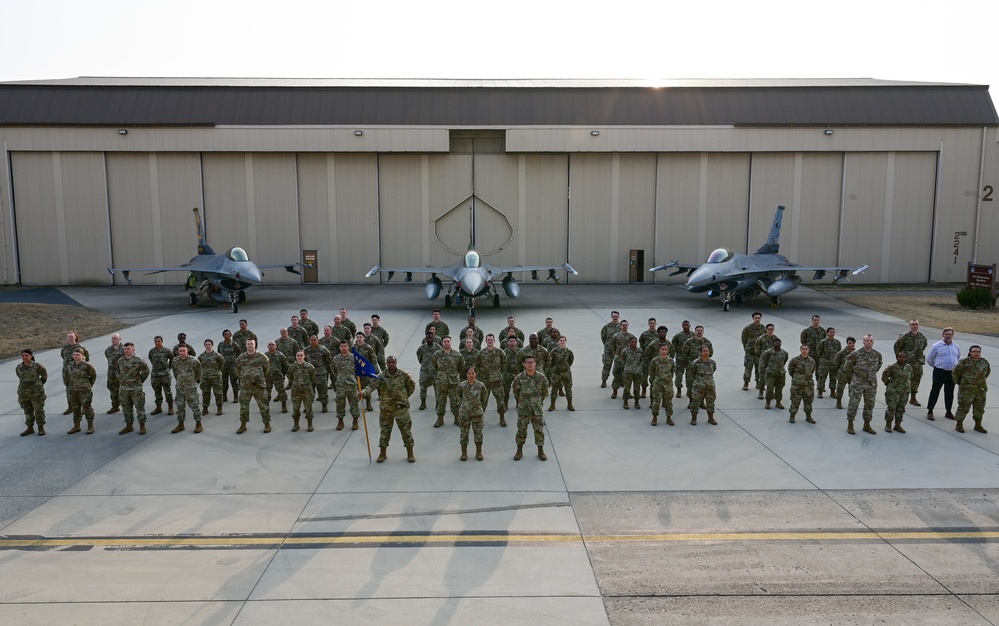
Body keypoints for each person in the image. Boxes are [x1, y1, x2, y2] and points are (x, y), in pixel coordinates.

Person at [362, 355, 417, 462]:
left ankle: (410, 453)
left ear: (396, 363)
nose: (391, 364)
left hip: (401, 409)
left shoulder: (404, 375)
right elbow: (372, 386)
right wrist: (363, 393)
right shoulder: (381, 376)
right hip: (386, 409)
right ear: (387, 364)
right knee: (385, 431)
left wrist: (404, 397)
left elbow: (411, 386)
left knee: (406, 431)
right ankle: (382, 454)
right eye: (389, 362)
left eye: (393, 362)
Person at [844, 335, 883, 435]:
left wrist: (870, 375)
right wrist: (854, 378)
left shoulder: (877, 354)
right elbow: (847, 367)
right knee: (854, 404)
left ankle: (867, 424)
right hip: (858, 383)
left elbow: (878, 365)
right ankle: (850, 424)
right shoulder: (855, 354)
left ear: (873, 342)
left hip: (871, 384)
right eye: (867, 340)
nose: (869, 342)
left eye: (871, 341)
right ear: (863, 342)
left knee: (870, 405)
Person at [512, 355, 550, 461]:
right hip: (524, 409)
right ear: (524, 364)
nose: (530, 364)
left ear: (535, 364)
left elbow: (545, 392)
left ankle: (540, 451)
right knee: (521, 430)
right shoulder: (519, 378)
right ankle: (519, 451)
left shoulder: (541, 378)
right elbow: (516, 392)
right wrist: (523, 401)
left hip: (537, 409)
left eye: (532, 362)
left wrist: (537, 401)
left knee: (539, 430)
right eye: (527, 362)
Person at [235, 339, 271, 434]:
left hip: (258, 386)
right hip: (245, 387)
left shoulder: (262, 357)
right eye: (248, 344)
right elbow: (237, 370)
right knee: (243, 406)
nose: (250, 345)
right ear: (246, 345)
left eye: (252, 344)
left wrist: (259, 378)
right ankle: (243, 425)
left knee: (263, 406)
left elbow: (266, 370)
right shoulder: (240, 358)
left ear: (255, 345)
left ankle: (267, 424)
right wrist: (244, 378)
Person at [952, 345, 990, 434]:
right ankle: (959, 424)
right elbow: (955, 373)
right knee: (963, 407)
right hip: (966, 390)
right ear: (970, 352)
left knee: (979, 408)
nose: (976, 353)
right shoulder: (964, 362)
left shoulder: (984, 362)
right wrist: (962, 384)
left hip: (980, 390)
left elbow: (987, 373)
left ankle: (978, 425)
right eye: (974, 351)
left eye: (978, 351)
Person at [926, 328, 960, 421]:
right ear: (942, 335)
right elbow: (929, 359)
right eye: (946, 334)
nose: (948, 336)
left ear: (952, 335)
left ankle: (948, 412)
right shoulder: (936, 346)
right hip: (939, 372)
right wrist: (937, 366)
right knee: (935, 391)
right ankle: (930, 411)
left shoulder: (956, 346)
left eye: (950, 334)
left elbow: (957, 357)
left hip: (951, 373)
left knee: (949, 393)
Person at [456, 366, 489, 461]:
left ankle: (479, 452)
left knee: (478, 434)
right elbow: (458, 397)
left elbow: (484, 398)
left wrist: (479, 408)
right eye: (469, 373)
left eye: (473, 373)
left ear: (476, 374)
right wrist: (464, 407)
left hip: (477, 414)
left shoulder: (480, 385)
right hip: (464, 414)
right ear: (466, 375)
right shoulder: (461, 386)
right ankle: (464, 453)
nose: (471, 375)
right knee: (464, 434)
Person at [116, 342, 149, 435]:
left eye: (128, 349)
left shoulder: (138, 360)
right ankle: (129, 425)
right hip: (124, 389)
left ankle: (142, 426)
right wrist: (122, 381)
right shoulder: (120, 361)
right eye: (125, 349)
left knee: (140, 408)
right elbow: (118, 372)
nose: (126, 351)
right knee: (126, 408)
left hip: (136, 389)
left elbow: (146, 371)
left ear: (133, 349)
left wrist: (139, 381)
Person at [475, 333, 509, 423]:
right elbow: (477, 365)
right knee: (483, 402)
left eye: (491, 340)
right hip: (485, 382)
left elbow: (504, 363)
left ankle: (502, 418)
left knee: (501, 401)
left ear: (494, 341)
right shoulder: (481, 353)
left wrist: (500, 374)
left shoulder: (499, 352)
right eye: (488, 340)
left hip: (497, 382)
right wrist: (480, 376)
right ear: (486, 341)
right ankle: (480, 418)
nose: (490, 341)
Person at [431, 336, 464, 428]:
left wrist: (454, 374)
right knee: (441, 402)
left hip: (453, 383)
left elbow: (461, 366)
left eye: (448, 341)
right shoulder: (437, 355)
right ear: (442, 343)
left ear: (451, 342)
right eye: (444, 341)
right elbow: (434, 366)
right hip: (441, 383)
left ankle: (457, 419)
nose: (446, 342)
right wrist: (441, 375)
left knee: (455, 402)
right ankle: (440, 419)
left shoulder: (457, 355)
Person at [894, 319, 928, 407]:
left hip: (918, 363)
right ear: (910, 326)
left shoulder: (922, 337)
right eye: (913, 324)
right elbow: (897, 347)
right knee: (903, 380)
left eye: (916, 324)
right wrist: (900, 359)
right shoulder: (904, 336)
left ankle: (913, 398)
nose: (915, 326)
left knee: (916, 380)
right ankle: (899, 398)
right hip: (907, 363)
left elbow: (924, 346)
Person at [170, 344, 203, 433]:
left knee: (194, 406)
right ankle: (181, 424)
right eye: (180, 351)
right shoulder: (175, 361)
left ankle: (198, 424)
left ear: (187, 350)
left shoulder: (194, 361)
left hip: (191, 388)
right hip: (180, 388)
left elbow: (199, 373)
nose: (182, 353)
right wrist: (179, 382)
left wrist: (194, 382)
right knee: (180, 407)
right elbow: (175, 373)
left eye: (183, 351)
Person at [65, 347, 97, 435]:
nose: (75, 356)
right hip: (73, 390)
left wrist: (88, 385)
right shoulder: (70, 365)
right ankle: (77, 426)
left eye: (78, 355)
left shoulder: (87, 365)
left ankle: (90, 426)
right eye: (74, 355)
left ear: (82, 355)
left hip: (84, 390)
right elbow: (68, 376)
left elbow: (93, 376)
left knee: (87, 407)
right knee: (75, 408)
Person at [16, 349, 47, 436]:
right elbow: (19, 377)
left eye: (26, 355)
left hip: (36, 392)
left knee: (38, 410)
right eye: (23, 356)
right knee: (27, 410)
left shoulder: (37, 366)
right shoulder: (19, 367)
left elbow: (44, 376)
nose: (24, 357)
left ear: (31, 356)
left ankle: (41, 427)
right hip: (24, 392)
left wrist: (38, 385)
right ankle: (30, 428)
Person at [331, 340, 361, 431]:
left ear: (348, 347)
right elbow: (333, 369)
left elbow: (359, 370)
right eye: (342, 346)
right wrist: (339, 377)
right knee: (340, 403)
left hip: (351, 384)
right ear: (339, 348)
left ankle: (355, 421)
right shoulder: (336, 358)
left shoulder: (354, 358)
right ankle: (340, 421)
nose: (343, 348)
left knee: (354, 403)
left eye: (345, 346)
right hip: (340, 385)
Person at [286, 351, 317, 432]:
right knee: (296, 408)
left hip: (307, 391)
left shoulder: (309, 367)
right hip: (296, 391)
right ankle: (296, 424)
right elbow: (289, 377)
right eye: (298, 355)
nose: (299, 357)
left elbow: (313, 377)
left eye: (301, 355)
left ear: (304, 356)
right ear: (295, 357)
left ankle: (310, 424)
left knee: (308, 408)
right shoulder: (292, 367)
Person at [881, 352, 912, 433]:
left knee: (901, 408)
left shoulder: (908, 367)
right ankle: (888, 424)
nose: (902, 358)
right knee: (891, 408)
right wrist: (888, 384)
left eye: (904, 357)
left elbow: (911, 377)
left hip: (904, 391)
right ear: (897, 358)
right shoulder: (892, 367)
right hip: (894, 391)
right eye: (900, 356)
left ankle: (898, 425)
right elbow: (884, 375)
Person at [60, 331, 89, 415]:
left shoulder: (81, 347)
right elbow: (63, 356)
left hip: (78, 372)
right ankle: (71, 407)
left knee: (81, 390)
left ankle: (84, 407)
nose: (70, 338)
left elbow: (86, 359)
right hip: (67, 372)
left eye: (71, 337)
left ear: (75, 337)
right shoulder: (64, 348)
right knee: (69, 390)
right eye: (68, 337)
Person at [304, 335, 333, 413]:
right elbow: (303, 362)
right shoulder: (306, 350)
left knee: (322, 390)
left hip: (321, 373)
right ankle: (308, 406)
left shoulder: (323, 350)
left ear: (318, 340)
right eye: (311, 340)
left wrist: (325, 370)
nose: (313, 341)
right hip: (309, 375)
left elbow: (328, 361)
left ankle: (324, 405)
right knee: (309, 391)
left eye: (314, 340)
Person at [688, 345, 717, 425]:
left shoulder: (712, 362)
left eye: (707, 351)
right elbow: (691, 374)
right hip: (698, 386)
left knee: (710, 401)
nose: (706, 353)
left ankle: (710, 418)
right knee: (696, 402)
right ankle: (694, 418)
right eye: (704, 351)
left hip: (710, 386)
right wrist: (697, 382)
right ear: (700, 352)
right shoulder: (695, 363)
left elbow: (713, 370)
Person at [787, 345, 816, 424]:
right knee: (795, 401)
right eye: (803, 349)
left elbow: (812, 370)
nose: (804, 350)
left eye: (806, 349)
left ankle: (808, 416)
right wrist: (797, 378)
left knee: (808, 401)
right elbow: (790, 370)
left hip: (808, 385)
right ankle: (792, 415)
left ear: (808, 350)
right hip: (797, 385)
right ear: (800, 350)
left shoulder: (812, 360)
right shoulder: (795, 360)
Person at [648, 343, 674, 426]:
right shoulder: (655, 360)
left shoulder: (671, 361)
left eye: (665, 349)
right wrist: (654, 382)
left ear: (668, 350)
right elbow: (651, 372)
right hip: (658, 383)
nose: (664, 351)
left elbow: (672, 372)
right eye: (662, 349)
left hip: (668, 384)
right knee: (656, 402)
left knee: (669, 402)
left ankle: (669, 417)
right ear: (659, 350)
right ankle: (655, 417)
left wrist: (668, 380)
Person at [683, 326, 713, 398]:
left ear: (703, 331)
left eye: (701, 330)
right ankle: (691, 400)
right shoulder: (689, 341)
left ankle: (701, 401)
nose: (699, 331)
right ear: (695, 331)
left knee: (702, 384)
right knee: (690, 383)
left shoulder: (707, 342)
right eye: (697, 330)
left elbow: (711, 353)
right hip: (692, 366)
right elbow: (684, 353)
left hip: (703, 367)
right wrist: (690, 361)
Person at [608, 321, 635, 399]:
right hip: (618, 359)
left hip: (628, 360)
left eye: (625, 325)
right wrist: (616, 355)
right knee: (617, 375)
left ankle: (627, 392)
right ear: (620, 326)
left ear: (627, 326)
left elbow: (633, 346)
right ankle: (615, 392)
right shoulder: (616, 336)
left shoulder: (631, 336)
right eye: (623, 325)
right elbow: (612, 346)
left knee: (628, 377)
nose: (624, 326)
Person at [547, 335, 575, 412]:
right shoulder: (554, 351)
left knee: (568, 389)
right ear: (558, 342)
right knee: (554, 389)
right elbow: (550, 362)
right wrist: (555, 368)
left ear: (565, 342)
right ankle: (552, 405)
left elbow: (571, 361)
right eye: (561, 340)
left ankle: (570, 404)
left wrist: (566, 367)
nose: (562, 342)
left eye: (563, 340)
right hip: (556, 373)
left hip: (566, 373)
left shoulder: (569, 352)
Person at [754, 324, 782, 400]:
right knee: (762, 377)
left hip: (773, 362)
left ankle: (770, 392)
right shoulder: (761, 339)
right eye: (769, 329)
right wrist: (760, 359)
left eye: (772, 329)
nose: (770, 330)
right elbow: (757, 350)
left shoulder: (776, 339)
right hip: (763, 361)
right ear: (766, 329)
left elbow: (778, 349)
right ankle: (761, 392)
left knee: (772, 378)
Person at [199, 339, 225, 416]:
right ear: (204, 346)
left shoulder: (217, 355)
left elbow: (222, 364)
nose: (208, 346)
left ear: (212, 345)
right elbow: (198, 366)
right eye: (206, 344)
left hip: (216, 377)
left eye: (209, 344)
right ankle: (205, 408)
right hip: (205, 378)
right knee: (205, 393)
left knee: (218, 393)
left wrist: (217, 371)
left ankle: (219, 408)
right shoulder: (201, 356)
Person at [760, 339, 789, 410]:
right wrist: (765, 370)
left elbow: (784, 361)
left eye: (779, 343)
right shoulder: (768, 352)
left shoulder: (784, 353)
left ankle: (778, 402)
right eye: (776, 343)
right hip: (770, 373)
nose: (777, 344)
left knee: (779, 388)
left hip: (781, 373)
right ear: (773, 344)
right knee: (770, 388)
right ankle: (768, 402)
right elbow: (763, 361)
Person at [815, 327, 842, 399]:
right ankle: (820, 392)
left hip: (834, 363)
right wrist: (823, 358)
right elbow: (818, 351)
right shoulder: (823, 342)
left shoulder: (837, 342)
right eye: (830, 332)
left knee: (833, 378)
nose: (832, 334)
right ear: (827, 333)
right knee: (822, 377)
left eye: (833, 332)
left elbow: (839, 352)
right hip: (824, 363)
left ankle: (832, 392)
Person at [741, 312, 766, 391]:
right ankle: (746, 383)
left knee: (759, 368)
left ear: (761, 318)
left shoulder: (763, 328)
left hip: (759, 353)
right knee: (748, 367)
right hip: (750, 351)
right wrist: (746, 347)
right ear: (753, 318)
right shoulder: (747, 328)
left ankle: (758, 383)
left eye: (759, 318)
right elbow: (744, 338)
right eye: (756, 318)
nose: (757, 319)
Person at [416, 332, 441, 411]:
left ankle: (438, 403)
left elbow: (440, 358)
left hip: (435, 371)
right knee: (423, 387)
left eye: (431, 338)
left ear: (433, 338)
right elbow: (419, 357)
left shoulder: (438, 347)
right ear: (426, 339)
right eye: (428, 338)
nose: (429, 339)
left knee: (437, 387)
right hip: (425, 371)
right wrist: (424, 364)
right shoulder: (421, 348)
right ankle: (423, 403)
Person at [619, 336, 644, 409]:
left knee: (637, 388)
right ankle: (625, 402)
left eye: (635, 342)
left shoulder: (639, 350)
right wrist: (626, 365)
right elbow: (622, 359)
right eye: (632, 342)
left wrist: (639, 367)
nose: (634, 343)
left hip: (637, 372)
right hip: (628, 372)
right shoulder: (625, 351)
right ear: (629, 342)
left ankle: (636, 402)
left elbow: (642, 359)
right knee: (627, 387)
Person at [265, 340, 289, 413]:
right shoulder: (264, 356)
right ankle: (266, 406)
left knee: (282, 392)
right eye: (270, 345)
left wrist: (282, 375)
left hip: (278, 377)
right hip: (268, 377)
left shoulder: (281, 355)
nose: (271, 346)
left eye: (273, 345)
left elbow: (285, 366)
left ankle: (284, 406)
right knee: (266, 393)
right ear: (267, 347)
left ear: (276, 346)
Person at [218, 329, 241, 403]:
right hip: (224, 365)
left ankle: (235, 397)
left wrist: (236, 363)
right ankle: (224, 396)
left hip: (232, 365)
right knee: (224, 381)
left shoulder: (234, 344)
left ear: (230, 335)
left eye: (227, 334)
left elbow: (238, 354)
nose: (226, 336)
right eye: (225, 334)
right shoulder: (220, 344)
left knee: (234, 381)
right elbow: (219, 354)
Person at [599, 311, 622, 387]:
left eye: (616, 316)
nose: (615, 318)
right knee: (607, 365)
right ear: (611, 317)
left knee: (619, 366)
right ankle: (604, 380)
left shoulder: (621, 327)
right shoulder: (606, 327)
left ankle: (620, 381)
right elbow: (603, 337)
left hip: (618, 351)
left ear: (618, 317)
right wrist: (607, 345)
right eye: (613, 316)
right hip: (608, 351)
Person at [671, 320, 694, 397]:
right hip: (680, 359)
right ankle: (679, 390)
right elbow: (673, 346)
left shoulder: (693, 335)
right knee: (678, 376)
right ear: (682, 326)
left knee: (689, 376)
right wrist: (672, 356)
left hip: (690, 360)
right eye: (684, 325)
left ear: (690, 326)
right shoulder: (678, 336)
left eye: (687, 325)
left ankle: (689, 390)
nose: (686, 326)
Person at [800, 314, 825, 382]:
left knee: (819, 371)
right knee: (808, 369)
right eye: (814, 320)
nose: (816, 321)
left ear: (820, 321)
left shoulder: (823, 331)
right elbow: (803, 341)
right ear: (812, 321)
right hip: (809, 354)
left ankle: (819, 385)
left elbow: (825, 342)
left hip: (819, 355)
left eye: (817, 320)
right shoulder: (806, 331)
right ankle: (807, 383)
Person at [834, 337, 857, 410]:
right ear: (847, 343)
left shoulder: (857, 352)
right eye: (850, 343)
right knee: (840, 388)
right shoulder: (842, 352)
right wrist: (841, 370)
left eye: (853, 343)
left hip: (853, 374)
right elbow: (837, 362)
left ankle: (852, 403)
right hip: (843, 374)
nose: (851, 344)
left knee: (853, 389)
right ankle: (838, 401)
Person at [638, 317, 659, 398]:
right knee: (644, 375)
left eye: (653, 323)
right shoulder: (644, 334)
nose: (652, 324)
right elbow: (641, 345)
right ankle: (643, 389)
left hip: (655, 359)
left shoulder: (659, 334)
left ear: (655, 324)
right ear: (648, 324)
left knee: (654, 375)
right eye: (651, 323)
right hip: (646, 359)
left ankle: (653, 390)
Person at [104, 333, 124, 414]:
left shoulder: (124, 349)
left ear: (120, 339)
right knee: (112, 389)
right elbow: (107, 357)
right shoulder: (108, 349)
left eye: (115, 338)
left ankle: (126, 406)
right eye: (112, 338)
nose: (113, 340)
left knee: (123, 390)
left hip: (121, 373)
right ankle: (115, 406)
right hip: (111, 373)